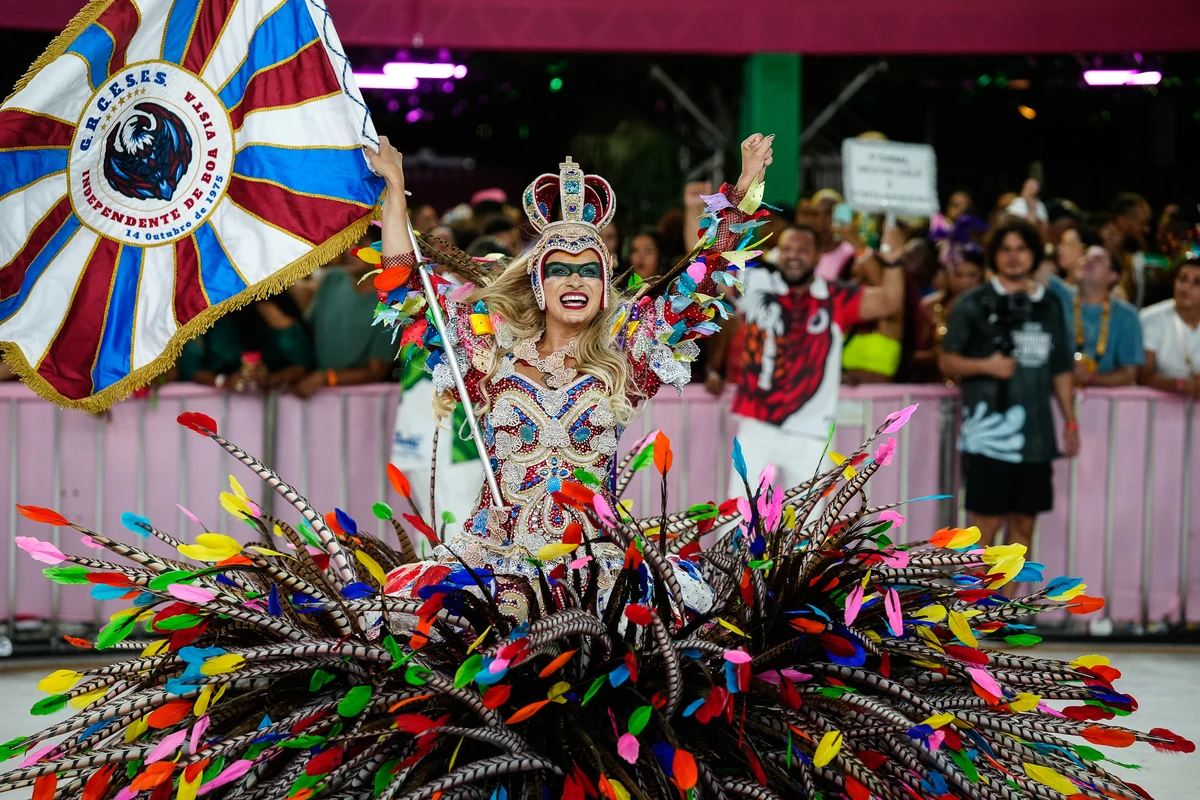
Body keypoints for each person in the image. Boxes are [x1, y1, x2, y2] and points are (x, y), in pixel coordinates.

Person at [364, 133, 775, 613]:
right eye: (560, 269)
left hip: (593, 569)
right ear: (539, 285)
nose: (576, 280)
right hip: (497, 561)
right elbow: (407, 289)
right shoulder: (489, 356)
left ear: (604, 288)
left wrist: (744, 190)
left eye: (590, 271)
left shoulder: (628, 358)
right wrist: (395, 188)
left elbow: (701, 281)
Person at [704, 220, 905, 494]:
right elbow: (707, 270)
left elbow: (889, 302)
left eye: (802, 249)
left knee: (806, 529)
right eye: (787, 249)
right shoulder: (757, 285)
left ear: (818, 255)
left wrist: (892, 263)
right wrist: (696, 209)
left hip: (812, 434)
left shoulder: (835, 296)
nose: (793, 255)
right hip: (756, 428)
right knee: (739, 520)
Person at [939, 217, 1078, 566]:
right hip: (989, 437)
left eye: (1021, 249)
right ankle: (975, 616)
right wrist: (987, 366)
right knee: (982, 529)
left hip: (1036, 437)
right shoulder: (974, 303)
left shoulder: (1051, 305)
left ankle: (1005, 617)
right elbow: (946, 361)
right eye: (1005, 249)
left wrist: (1071, 422)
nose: (1014, 257)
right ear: (994, 256)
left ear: (1034, 255)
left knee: (1022, 529)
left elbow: (1061, 369)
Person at [288, 234, 398, 398]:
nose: (350, 251)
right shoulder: (332, 279)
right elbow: (308, 335)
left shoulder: (392, 302)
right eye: (347, 243)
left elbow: (376, 371)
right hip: (312, 396)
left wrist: (327, 378)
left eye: (360, 243)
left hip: (362, 403)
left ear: (384, 248)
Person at [1045, 246, 1143, 387]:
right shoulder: (1060, 294)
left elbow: (1129, 374)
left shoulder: (1127, 315)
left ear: (1112, 276)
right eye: (1085, 255)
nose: (1088, 260)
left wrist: (1091, 378)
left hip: (1104, 404)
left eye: (1097, 259)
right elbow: (1034, 268)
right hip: (1054, 396)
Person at [911, 248, 985, 383]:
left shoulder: (990, 307)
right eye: (958, 274)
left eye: (972, 275)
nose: (965, 282)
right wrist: (939, 356)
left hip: (977, 384)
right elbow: (913, 353)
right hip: (934, 384)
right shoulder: (930, 306)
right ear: (946, 273)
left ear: (982, 275)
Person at [1139, 257, 1200, 399]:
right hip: (1157, 410)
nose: (1187, 286)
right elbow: (1142, 374)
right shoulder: (1151, 318)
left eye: (1197, 282)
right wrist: (1179, 384)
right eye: (1182, 279)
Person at [1110, 192, 1152, 307]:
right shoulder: (1101, 257)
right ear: (1122, 220)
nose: (1146, 229)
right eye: (1143, 223)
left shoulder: (1134, 254)